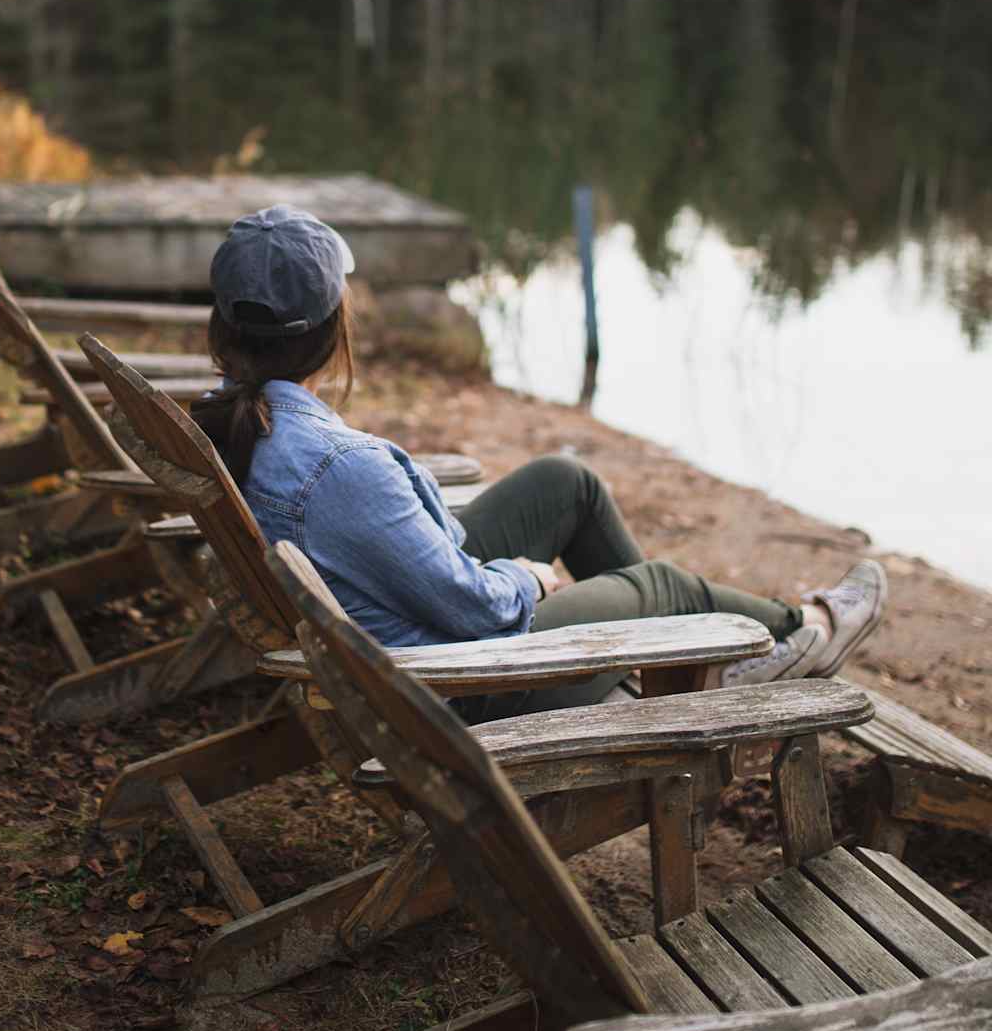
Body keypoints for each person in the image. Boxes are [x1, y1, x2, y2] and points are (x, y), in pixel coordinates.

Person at [192, 204, 885, 714]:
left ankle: (674, 661)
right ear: (328, 330)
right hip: (462, 682)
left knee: (566, 482)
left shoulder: (234, 417)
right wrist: (525, 580)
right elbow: (474, 611)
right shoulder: (336, 465)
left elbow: (389, 549)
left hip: (404, 635)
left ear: (228, 325)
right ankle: (805, 631)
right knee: (668, 585)